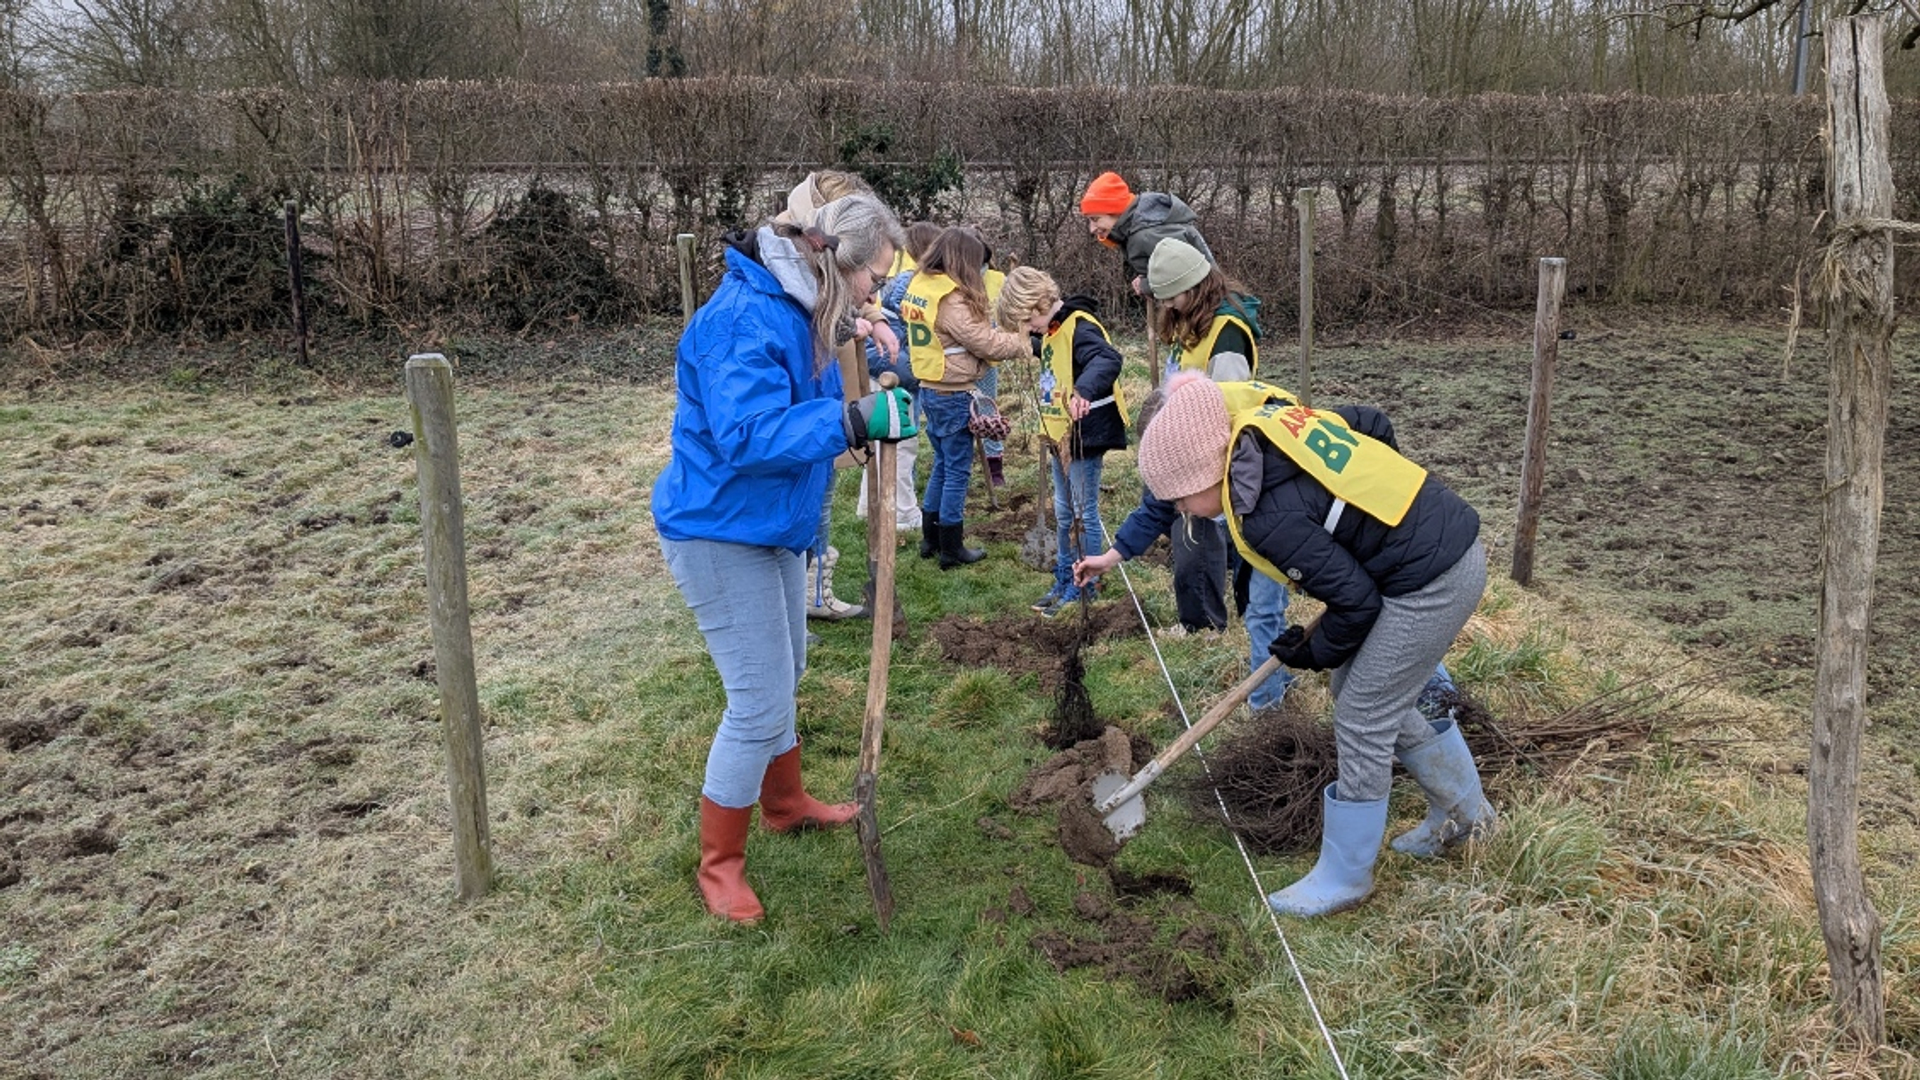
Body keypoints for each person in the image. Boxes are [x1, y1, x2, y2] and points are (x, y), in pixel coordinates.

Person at [1090, 372, 1494, 918]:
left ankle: (1346, 876)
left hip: (1434, 579)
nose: (1182, 512)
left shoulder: (1262, 513)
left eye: (1181, 500)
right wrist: (1375, 529)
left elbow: (1356, 607)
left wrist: (1307, 652)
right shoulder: (1265, 429)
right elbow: (1370, 422)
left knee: (1362, 711)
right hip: (1432, 554)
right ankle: (1468, 819)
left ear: (1205, 470)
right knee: (1358, 686)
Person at [651, 192, 914, 924]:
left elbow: (816, 377)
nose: (875, 293)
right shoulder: (744, 321)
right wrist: (850, 418)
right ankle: (720, 866)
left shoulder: (800, 304)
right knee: (758, 700)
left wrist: (861, 334)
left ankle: (785, 802)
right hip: (719, 529)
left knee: (787, 670)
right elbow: (749, 435)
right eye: (871, 282)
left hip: (770, 524)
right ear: (831, 258)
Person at [776, 170, 899, 623]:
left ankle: (813, 591)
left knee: (824, 482)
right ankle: (800, 593)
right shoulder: (794, 245)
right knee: (806, 482)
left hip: (830, 378)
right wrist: (849, 325)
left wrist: (877, 318)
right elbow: (814, 307)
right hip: (801, 384)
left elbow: (858, 293)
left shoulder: (844, 249)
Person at [993, 265, 1128, 616]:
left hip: (1085, 434)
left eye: (1026, 323)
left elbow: (1107, 359)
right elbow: (1053, 355)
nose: (1027, 331)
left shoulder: (1080, 326)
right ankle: (1065, 578)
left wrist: (1084, 389)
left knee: (1083, 513)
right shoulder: (1053, 330)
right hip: (1059, 435)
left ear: (1038, 305)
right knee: (1064, 511)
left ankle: (1088, 585)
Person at [902, 226, 1031, 569]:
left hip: (931, 386)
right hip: (954, 392)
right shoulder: (951, 299)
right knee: (958, 470)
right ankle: (951, 547)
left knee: (942, 465)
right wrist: (1021, 342)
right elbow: (984, 342)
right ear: (962, 260)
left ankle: (930, 539)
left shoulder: (922, 285)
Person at [859, 221, 943, 535]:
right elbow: (904, 344)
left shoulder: (901, 280)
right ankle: (904, 513)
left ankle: (870, 507)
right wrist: (923, 372)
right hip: (893, 374)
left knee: (878, 441)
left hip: (883, 370)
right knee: (902, 443)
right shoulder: (914, 285)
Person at [1078, 170, 1215, 297]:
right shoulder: (1141, 227)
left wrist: (1146, 285)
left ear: (1116, 212)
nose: (1092, 229)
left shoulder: (1144, 235)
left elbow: (1185, 277)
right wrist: (1148, 277)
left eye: (1095, 219)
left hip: (1207, 304)